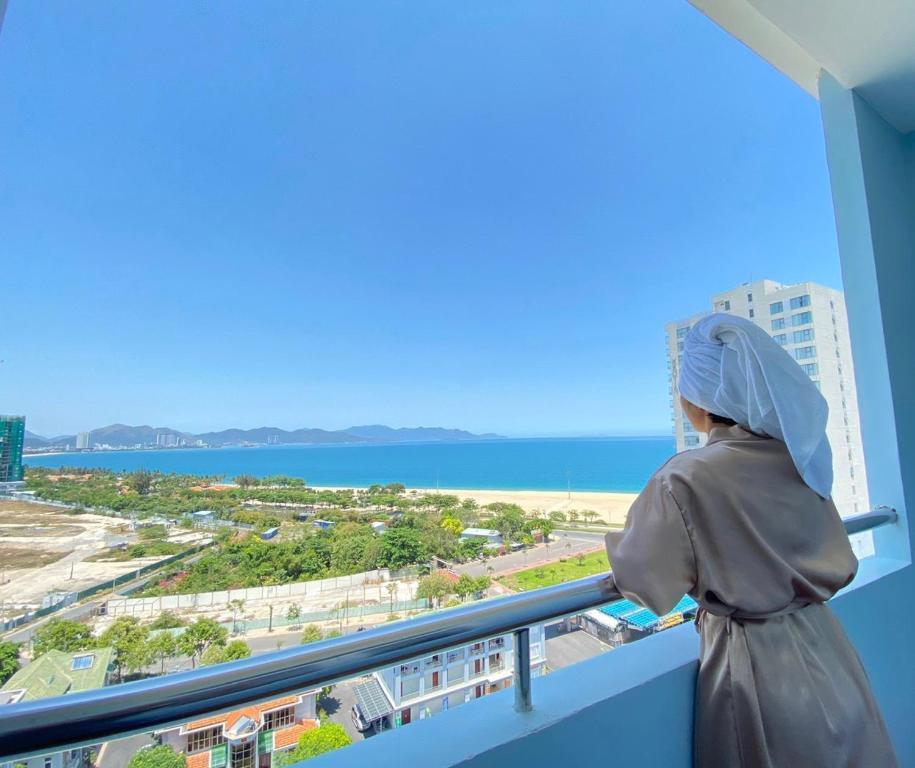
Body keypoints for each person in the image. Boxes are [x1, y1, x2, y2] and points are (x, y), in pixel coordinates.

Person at [605, 313, 897, 768]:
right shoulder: (798, 460)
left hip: (756, 667)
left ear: (696, 400)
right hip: (829, 646)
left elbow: (645, 583)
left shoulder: (685, 477)